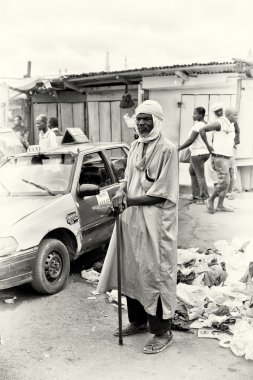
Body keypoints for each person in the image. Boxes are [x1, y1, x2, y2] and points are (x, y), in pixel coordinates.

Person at [97, 100, 178, 354]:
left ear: (157, 120)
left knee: (155, 274)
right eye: (139, 118)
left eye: (147, 119)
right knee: (132, 269)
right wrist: (121, 191)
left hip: (156, 223)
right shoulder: (135, 145)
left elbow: (163, 193)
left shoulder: (168, 149)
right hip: (132, 220)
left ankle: (163, 332)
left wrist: (128, 199)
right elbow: (127, 179)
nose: (142, 123)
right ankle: (138, 321)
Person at [199, 106, 239, 213]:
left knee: (227, 182)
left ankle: (220, 205)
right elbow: (202, 130)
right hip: (220, 158)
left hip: (228, 157)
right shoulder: (220, 123)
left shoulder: (231, 124)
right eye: (235, 115)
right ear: (229, 115)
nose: (237, 117)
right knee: (224, 183)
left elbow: (228, 139)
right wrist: (208, 146)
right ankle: (210, 200)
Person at [178, 107, 209, 203]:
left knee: (200, 175)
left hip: (197, 154)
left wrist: (178, 149)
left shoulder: (198, 126)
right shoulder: (206, 124)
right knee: (192, 171)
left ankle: (205, 198)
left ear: (201, 115)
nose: (193, 115)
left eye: (195, 114)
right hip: (204, 153)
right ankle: (196, 195)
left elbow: (191, 140)